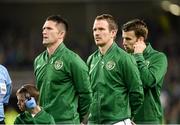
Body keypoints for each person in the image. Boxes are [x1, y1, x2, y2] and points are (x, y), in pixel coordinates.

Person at [34, 15, 92, 124]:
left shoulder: (73, 60)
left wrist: (74, 116)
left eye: (49, 28)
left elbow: (87, 95)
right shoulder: (38, 60)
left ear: (61, 34)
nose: (44, 32)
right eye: (43, 29)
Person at [87, 14, 144, 124]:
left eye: (101, 29)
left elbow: (137, 93)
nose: (97, 33)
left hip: (117, 121)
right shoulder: (91, 59)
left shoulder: (124, 58)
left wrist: (127, 116)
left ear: (113, 33)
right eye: (94, 29)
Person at [121, 19, 168, 124]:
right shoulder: (124, 59)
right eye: (123, 38)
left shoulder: (158, 58)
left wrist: (138, 56)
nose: (124, 42)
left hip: (149, 119)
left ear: (140, 40)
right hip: (126, 119)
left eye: (128, 39)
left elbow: (148, 81)